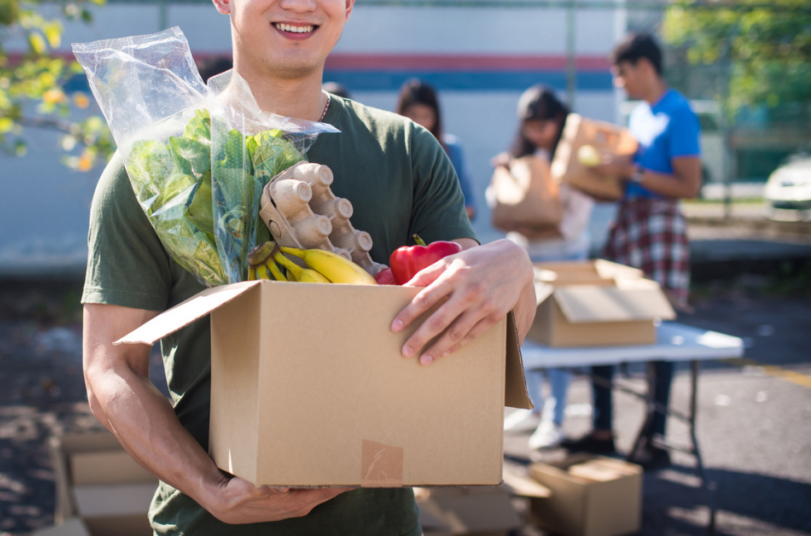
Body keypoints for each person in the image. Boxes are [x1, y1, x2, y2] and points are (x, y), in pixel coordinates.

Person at [81, 1, 538, 534]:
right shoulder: (158, 169)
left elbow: (481, 339)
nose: (300, 3)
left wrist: (515, 267)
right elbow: (109, 371)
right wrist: (212, 489)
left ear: (348, 5)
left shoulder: (406, 151)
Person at [561, 33, 701, 471]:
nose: (618, 82)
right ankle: (604, 429)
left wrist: (630, 170)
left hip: (660, 224)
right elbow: (630, 178)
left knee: (658, 326)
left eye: (621, 72)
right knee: (605, 319)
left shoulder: (679, 112)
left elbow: (689, 186)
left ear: (644, 66)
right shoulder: (639, 116)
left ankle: (654, 435)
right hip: (630, 221)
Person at [489, 85, 594, 450]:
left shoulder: (572, 158)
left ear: (558, 121)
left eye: (543, 125)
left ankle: (556, 417)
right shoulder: (520, 155)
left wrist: (534, 222)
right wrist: (505, 175)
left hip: (566, 257)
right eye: (530, 126)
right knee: (525, 334)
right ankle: (533, 407)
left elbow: (575, 220)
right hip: (527, 256)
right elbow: (499, 203)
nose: (536, 133)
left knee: (559, 339)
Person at [397, 79, 476, 221]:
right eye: (413, 114)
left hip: (443, 236)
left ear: (436, 118)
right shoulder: (390, 152)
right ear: (400, 114)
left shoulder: (452, 150)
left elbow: (468, 206)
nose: (419, 123)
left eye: (426, 116)